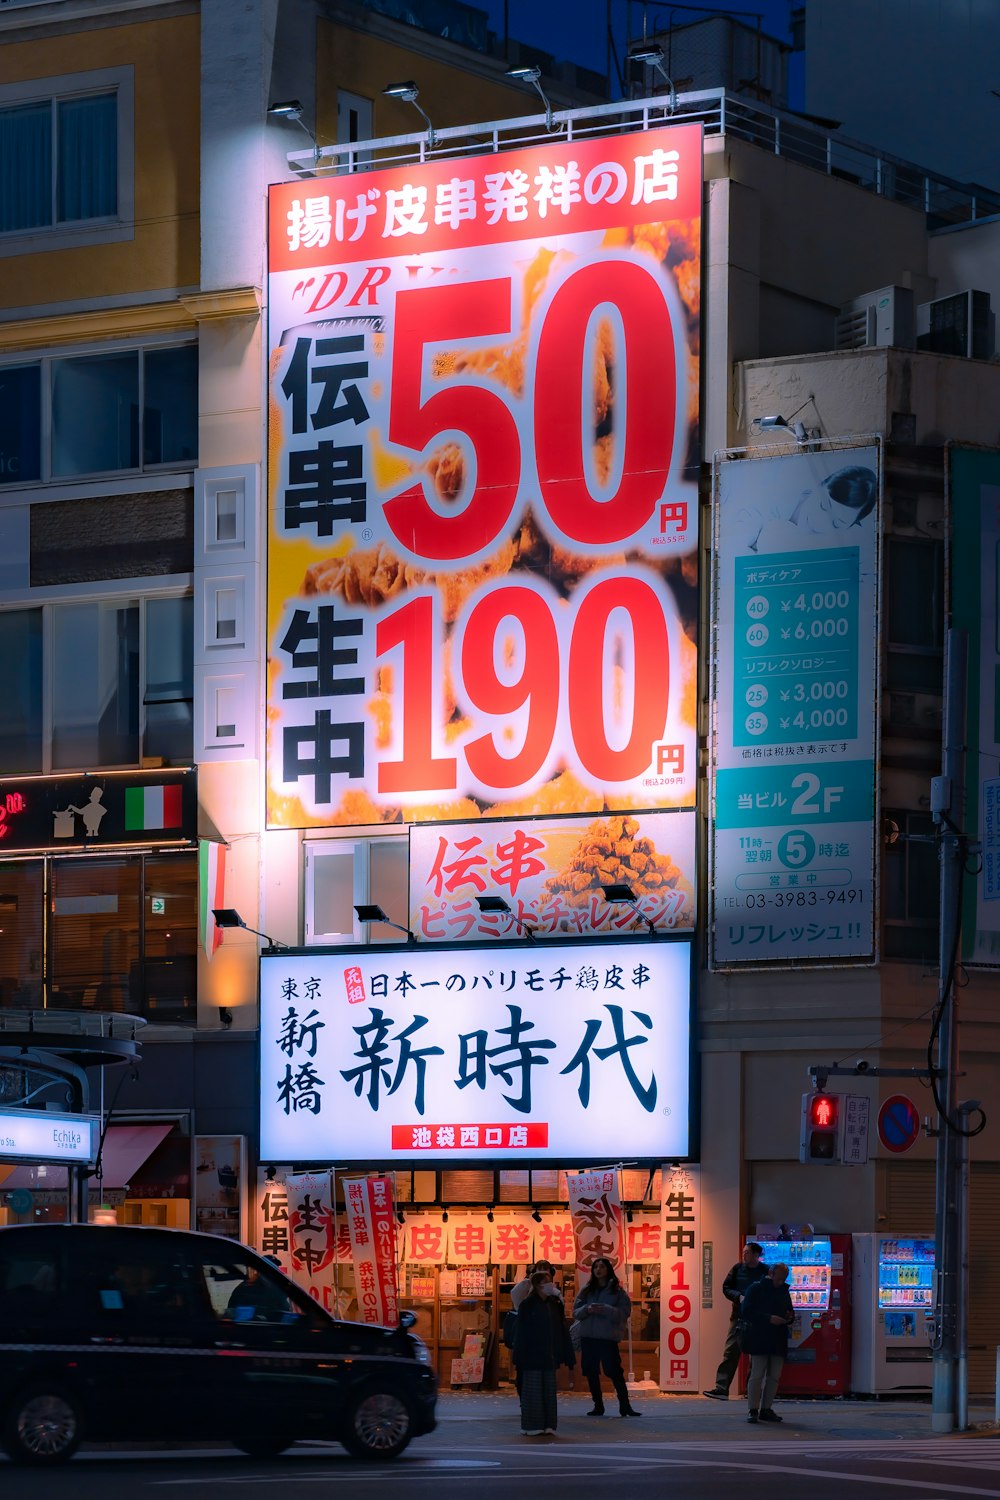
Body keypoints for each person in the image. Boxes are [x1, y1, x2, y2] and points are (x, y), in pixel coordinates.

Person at [572, 1256, 640, 1418]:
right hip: (588, 1337)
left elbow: (624, 1313)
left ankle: (625, 1406)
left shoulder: (617, 1291)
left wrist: (606, 1309)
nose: (598, 1270)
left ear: (608, 1269)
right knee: (591, 1372)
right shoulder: (587, 1290)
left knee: (614, 1371)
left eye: (602, 1267)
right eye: (596, 1267)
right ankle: (598, 1406)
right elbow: (575, 1312)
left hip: (607, 1339)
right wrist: (587, 1309)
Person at [511, 1269, 575, 1436]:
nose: (549, 1285)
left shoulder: (555, 1304)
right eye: (546, 1282)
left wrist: (565, 1353)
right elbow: (521, 1332)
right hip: (531, 1354)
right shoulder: (527, 1304)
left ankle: (548, 1425)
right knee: (533, 1391)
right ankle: (532, 1425)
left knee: (548, 1391)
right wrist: (519, 1356)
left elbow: (560, 1328)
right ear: (538, 1285)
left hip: (549, 1354)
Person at [703, 1241, 768, 1400]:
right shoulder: (737, 1269)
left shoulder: (766, 1271)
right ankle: (722, 1388)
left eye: (747, 1252)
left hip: (758, 1318)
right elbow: (725, 1287)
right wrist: (738, 1296)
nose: (744, 1254)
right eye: (743, 1252)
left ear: (756, 1255)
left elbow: (771, 1290)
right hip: (738, 1316)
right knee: (731, 1351)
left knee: (756, 1355)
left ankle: (751, 1390)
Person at [741, 1261, 794, 1424]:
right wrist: (769, 1318)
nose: (781, 1282)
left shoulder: (785, 1291)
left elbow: (790, 1310)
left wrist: (789, 1317)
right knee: (757, 1374)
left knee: (774, 1376)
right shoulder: (756, 1288)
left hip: (778, 1337)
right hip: (760, 1336)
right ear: (771, 1274)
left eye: (783, 1279)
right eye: (779, 1278)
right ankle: (753, 1408)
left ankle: (766, 1408)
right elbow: (746, 1311)